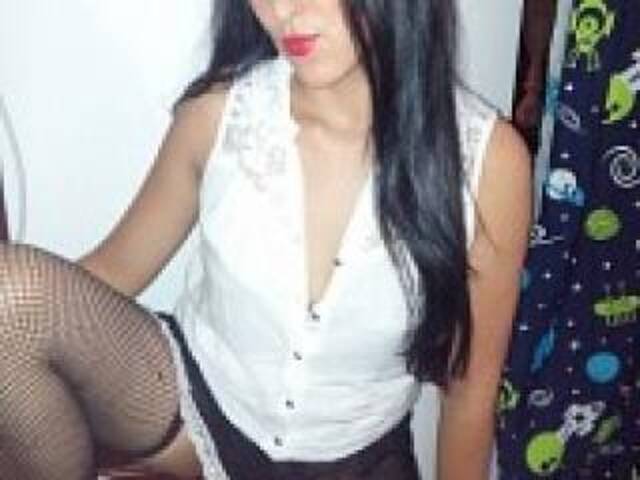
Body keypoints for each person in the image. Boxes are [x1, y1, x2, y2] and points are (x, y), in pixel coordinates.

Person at [0, 1, 531, 479]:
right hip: (193, 412)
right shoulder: (218, 114)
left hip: (356, 459)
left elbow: (470, 393)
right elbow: (111, 272)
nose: (281, 10)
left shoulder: (488, 163)